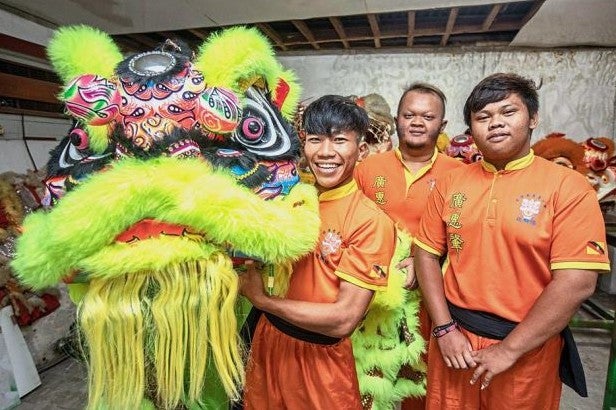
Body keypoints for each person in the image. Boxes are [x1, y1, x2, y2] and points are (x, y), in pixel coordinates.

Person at [414, 72, 610, 409]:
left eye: (508, 112)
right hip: (454, 342)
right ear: (470, 128)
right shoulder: (450, 183)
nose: (495, 124)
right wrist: (444, 329)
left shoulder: (569, 187)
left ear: (532, 117)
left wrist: (510, 349)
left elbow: (577, 282)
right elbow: (426, 253)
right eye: (483, 117)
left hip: (527, 349)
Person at [240, 95, 396, 409]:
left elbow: (343, 319)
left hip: (320, 360)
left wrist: (262, 300)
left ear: (361, 150)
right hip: (268, 342)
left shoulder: (370, 221)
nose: (325, 153)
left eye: (339, 140)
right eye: (315, 140)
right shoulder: (291, 201)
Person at [354, 82, 464, 408]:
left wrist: (424, 260)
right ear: (397, 120)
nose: (417, 122)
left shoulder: (460, 175)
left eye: (427, 116)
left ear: (442, 126)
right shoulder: (367, 169)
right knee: (370, 384)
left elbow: (465, 240)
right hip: (374, 297)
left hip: (432, 301)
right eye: (409, 114)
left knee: (421, 385)